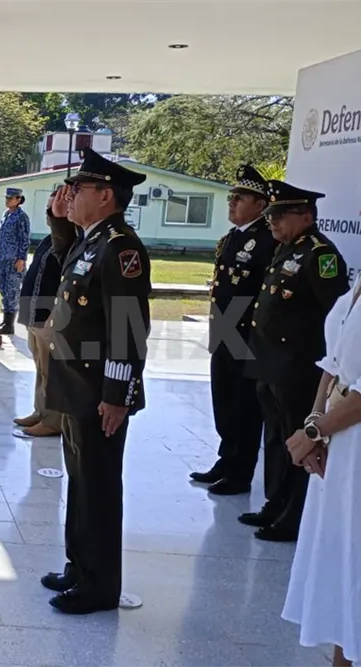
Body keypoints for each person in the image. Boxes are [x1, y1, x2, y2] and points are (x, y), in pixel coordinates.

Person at [40, 148, 151, 615]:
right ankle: (79, 565)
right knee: (81, 481)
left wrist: (117, 396)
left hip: (99, 391)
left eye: (80, 189)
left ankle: (99, 586)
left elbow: (128, 327)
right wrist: (58, 219)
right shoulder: (92, 240)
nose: (71, 195)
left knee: (99, 487)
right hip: (75, 386)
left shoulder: (121, 247)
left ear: (106, 195)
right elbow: (65, 257)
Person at [237, 181, 350, 542]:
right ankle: (276, 502)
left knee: (296, 438)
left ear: (305, 216)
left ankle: (294, 515)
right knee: (276, 438)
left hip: (297, 366)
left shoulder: (321, 255)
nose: (272, 222)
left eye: (280, 215)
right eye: (270, 214)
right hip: (270, 362)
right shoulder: (286, 248)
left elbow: (335, 317)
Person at [281, 272, 361, 667]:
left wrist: (317, 430)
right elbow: (334, 363)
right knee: (341, 556)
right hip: (339, 434)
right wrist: (316, 420)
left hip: (353, 434)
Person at [190, 165, 277, 495]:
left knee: (245, 405)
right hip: (225, 327)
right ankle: (225, 459)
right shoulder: (232, 238)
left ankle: (241, 471)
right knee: (223, 398)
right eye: (232, 196)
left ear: (260, 204)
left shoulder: (266, 240)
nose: (232, 202)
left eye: (240, 197)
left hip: (247, 332)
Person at [15, 185, 76, 438]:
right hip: (35, 314)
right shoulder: (48, 240)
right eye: (49, 209)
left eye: (56, 208)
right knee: (40, 367)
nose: (50, 214)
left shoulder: (69, 240)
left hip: (50, 315)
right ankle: (40, 411)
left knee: (52, 371)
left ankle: (53, 420)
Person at [0, 187, 31, 335]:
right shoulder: (6, 215)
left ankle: (9, 324)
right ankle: (5, 321)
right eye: (6, 198)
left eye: (11, 198)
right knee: (3, 290)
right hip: (3, 259)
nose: (7, 201)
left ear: (19, 200)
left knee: (12, 291)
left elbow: (24, 239)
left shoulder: (21, 217)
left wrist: (21, 258)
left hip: (14, 260)